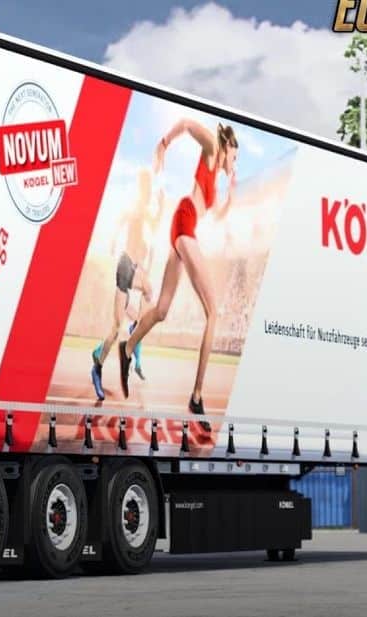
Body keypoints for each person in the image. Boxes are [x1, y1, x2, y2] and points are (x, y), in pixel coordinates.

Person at [118, 119, 239, 425]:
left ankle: (127, 348)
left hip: (185, 228)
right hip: (184, 224)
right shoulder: (212, 149)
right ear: (227, 147)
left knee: (161, 310)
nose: (234, 164)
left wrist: (230, 197)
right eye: (235, 157)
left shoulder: (216, 180)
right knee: (214, 312)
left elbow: (217, 215)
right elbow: (186, 124)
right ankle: (197, 396)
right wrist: (164, 143)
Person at [90, 169, 163, 400]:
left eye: (149, 187)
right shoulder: (138, 206)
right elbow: (127, 219)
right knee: (117, 325)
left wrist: (160, 208)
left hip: (131, 266)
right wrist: (114, 238)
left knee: (124, 318)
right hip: (125, 266)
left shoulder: (141, 208)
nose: (149, 191)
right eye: (146, 186)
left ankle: (114, 343)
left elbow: (148, 223)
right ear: (142, 187)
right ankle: (98, 367)